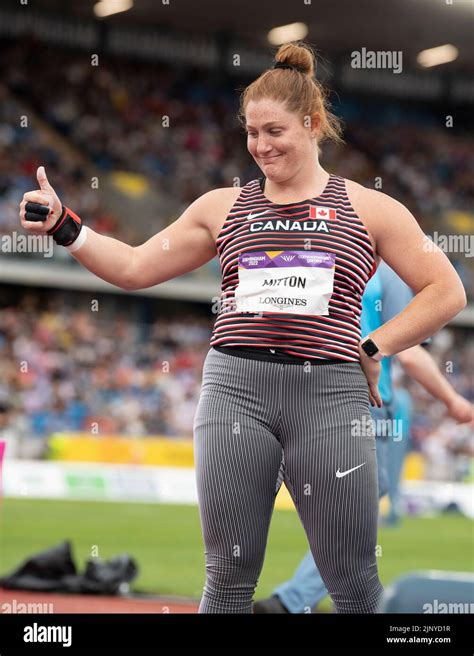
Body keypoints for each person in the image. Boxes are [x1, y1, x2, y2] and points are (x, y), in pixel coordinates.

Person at [19, 42, 467, 614]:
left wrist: (374, 343)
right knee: (227, 581)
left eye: (274, 131)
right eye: (251, 133)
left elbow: (446, 291)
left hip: (330, 397)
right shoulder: (222, 206)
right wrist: (65, 225)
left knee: (353, 583)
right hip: (236, 393)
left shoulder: (372, 209)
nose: (260, 146)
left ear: (311, 125)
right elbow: (133, 267)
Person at [253, 262, 472, 614]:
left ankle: (274, 598)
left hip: (290, 393)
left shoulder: (316, 251)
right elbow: (410, 352)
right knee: (357, 514)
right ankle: (291, 602)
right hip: (362, 402)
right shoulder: (392, 271)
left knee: (336, 510)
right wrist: (453, 400)